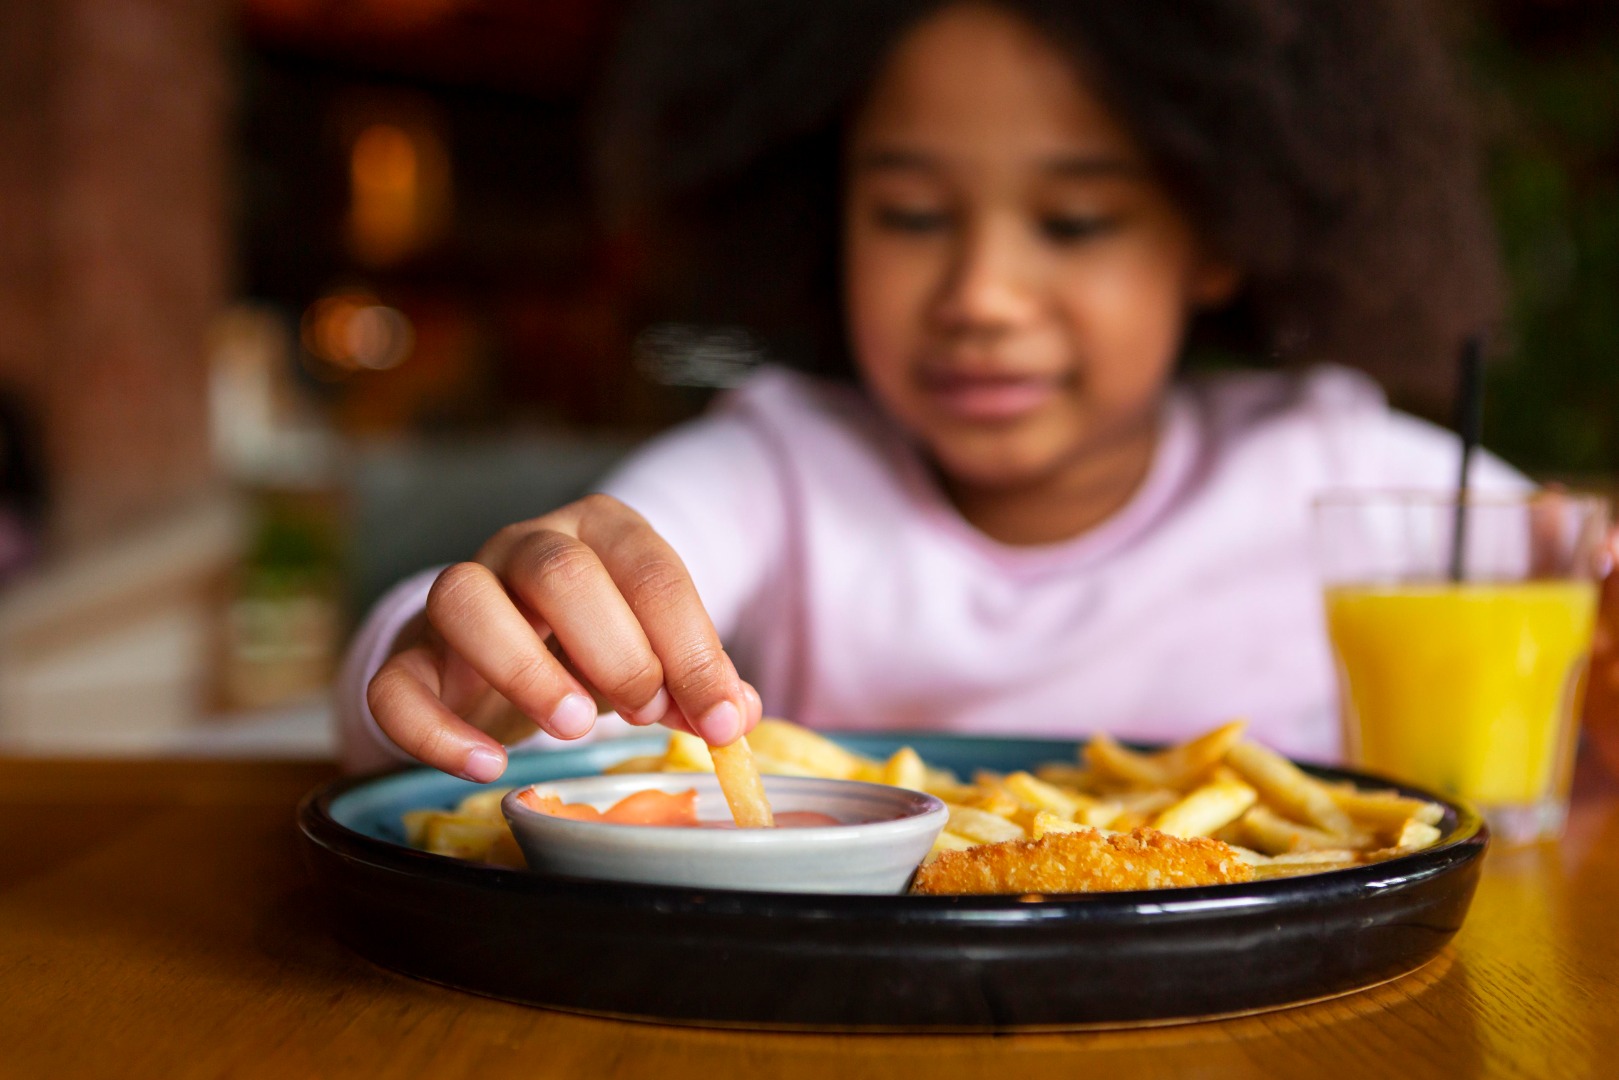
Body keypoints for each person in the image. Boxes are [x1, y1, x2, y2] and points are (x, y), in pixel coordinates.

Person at [341, 0, 1547, 780]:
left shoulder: (1337, 467)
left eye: (1073, 222)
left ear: (1218, 232)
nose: (980, 293)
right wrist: (468, 660)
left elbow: (1564, 581)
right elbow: (535, 635)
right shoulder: (776, 470)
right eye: (911, 215)